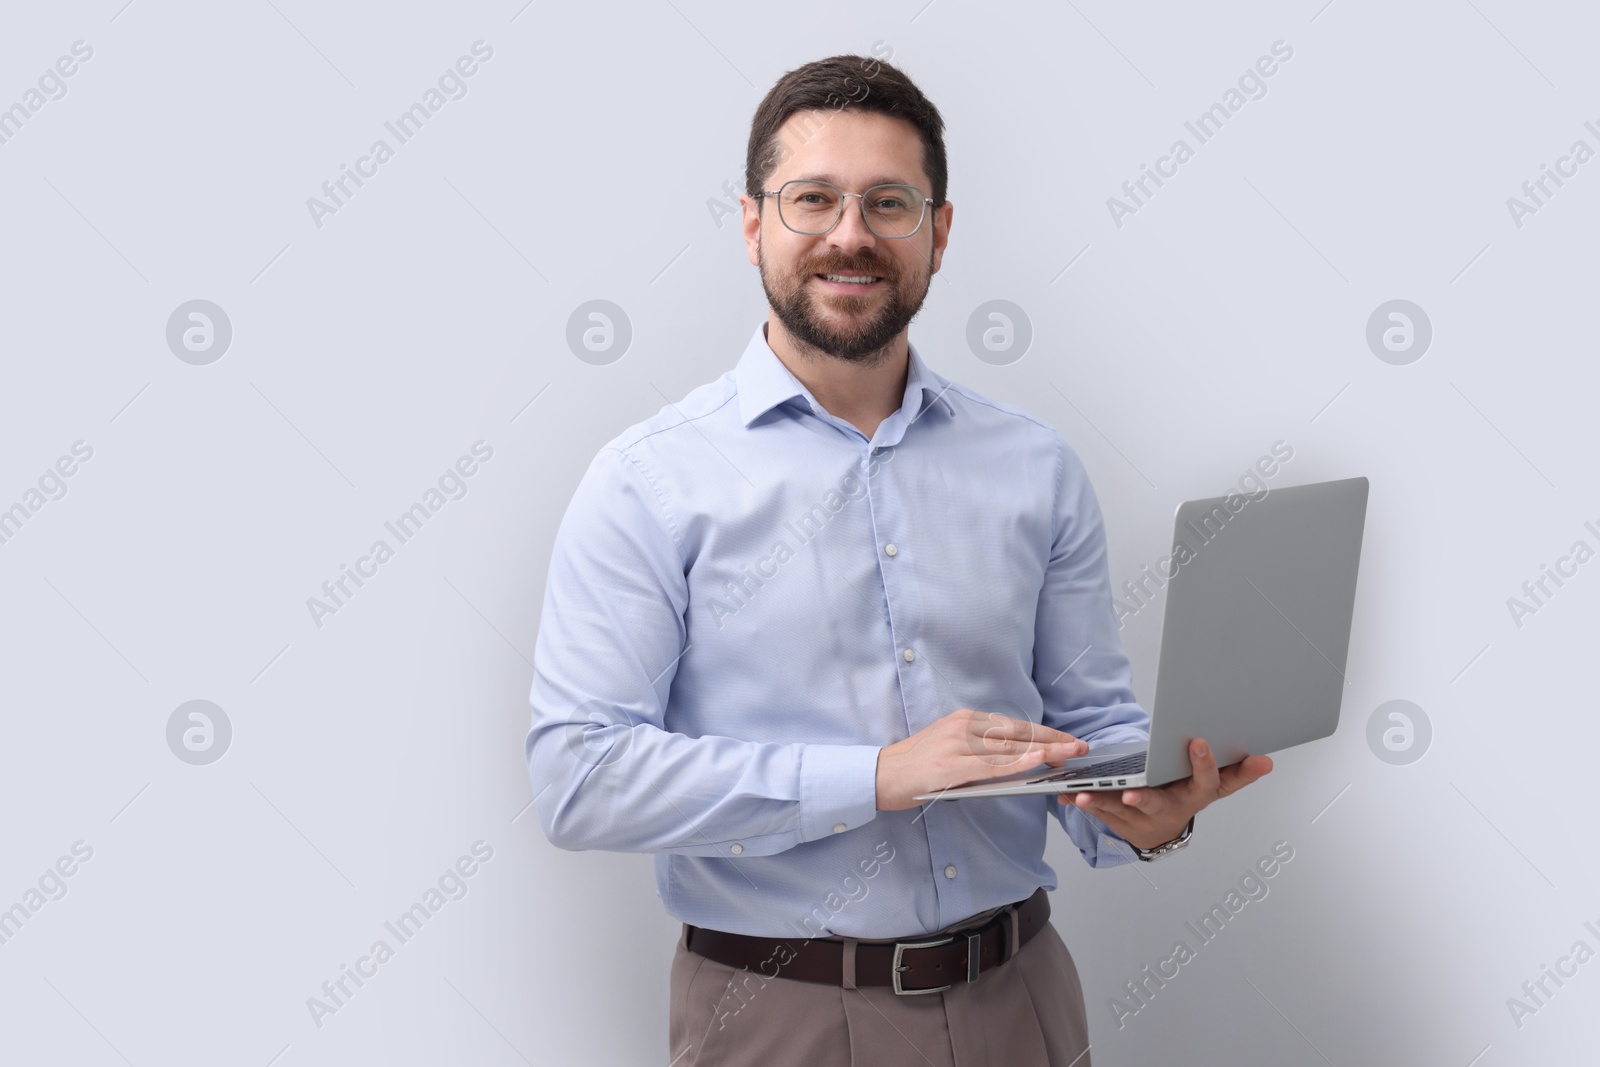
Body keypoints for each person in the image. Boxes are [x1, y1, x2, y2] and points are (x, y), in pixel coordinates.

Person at [524, 53, 1273, 1067]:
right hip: (778, 1015)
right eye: (812, 199)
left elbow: (1085, 727)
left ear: (939, 231)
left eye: (888, 201)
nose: (850, 233)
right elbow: (581, 775)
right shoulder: (649, 481)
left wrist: (1147, 809)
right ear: (752, 224)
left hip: (1025, 1000)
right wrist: (875, 776)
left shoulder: (1033, 465)